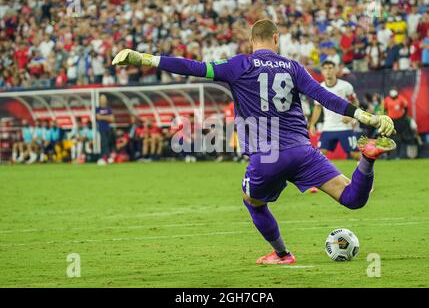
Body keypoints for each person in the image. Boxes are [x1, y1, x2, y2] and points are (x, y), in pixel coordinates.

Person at [112, 19, 395, 265]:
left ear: (251, 41)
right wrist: (364, 116)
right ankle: (367, 158)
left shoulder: (239, 65)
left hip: (267, 156)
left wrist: (144, 59)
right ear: (276, 38)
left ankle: (282, 254)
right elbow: (324, 97)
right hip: (302, 150)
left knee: (253, 202)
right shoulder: (293, 67)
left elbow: (193, 67)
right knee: (352, 198)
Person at [308, 60, 361, 162]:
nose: (328, 71)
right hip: (328, 127)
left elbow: (355, 103)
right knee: (320, 154)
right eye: (325, 68)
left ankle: (364, 176)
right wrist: (312, 124)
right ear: (322, 71)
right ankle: (321, 177)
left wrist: (350, 116)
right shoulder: (319, 88)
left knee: (355, 154)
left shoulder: (346, 86)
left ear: (336, 70)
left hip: (345, 127)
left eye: (330, 68)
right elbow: (317, 107)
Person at [383, 88, 410, 159]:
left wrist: (403, 117)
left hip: (399, 121)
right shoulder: (387, 99)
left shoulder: (401, 99)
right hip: (390, 120)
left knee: (398, 138)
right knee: (388, 137)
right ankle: (387, 155)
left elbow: (406, 107)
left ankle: (398, 155)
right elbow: (384, 109)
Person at [96, 95, 115, 165]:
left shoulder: (109, 109)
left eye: (104, 99)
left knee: (108, 142)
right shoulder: (98, 109)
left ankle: (106, 157)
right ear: (99, 100)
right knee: (104, 143)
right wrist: (107, 117)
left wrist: (102, 117)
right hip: (101, 128)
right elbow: (98, 117)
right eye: (102, 99)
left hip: (108, 128)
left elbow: (112, 119)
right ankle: (107, 157)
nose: (103, 100)